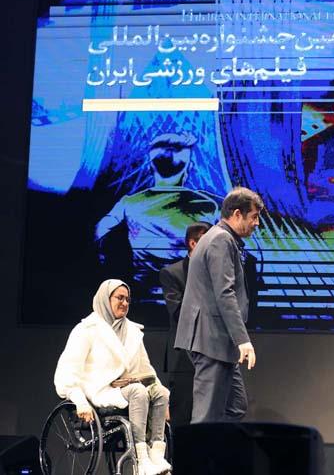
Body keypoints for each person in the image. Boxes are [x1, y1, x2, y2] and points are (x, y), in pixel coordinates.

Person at [54, 279, 172, 475]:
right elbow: (67, 371)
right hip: (99, 391)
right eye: (120, 298)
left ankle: (157, 456)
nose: (124, 303)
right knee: (138, 392)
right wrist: (80, 402)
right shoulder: (86, 330)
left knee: (160, 392)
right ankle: (141, 460)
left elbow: (146, 368)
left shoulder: (132, 331)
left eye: (128, 299)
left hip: (125, 390)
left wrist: (163, 401)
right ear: (105, 299)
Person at [95, 132, 220, 306]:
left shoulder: (129, 203)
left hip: (142, 300)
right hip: (190, 302)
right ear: (189, 167)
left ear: (150, 167)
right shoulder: (209, 206)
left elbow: (96, 233)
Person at [174, 187, 263, 423]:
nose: (257, 223)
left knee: (235, 406)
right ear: (237, 214)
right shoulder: (220, 240)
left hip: (218, 341)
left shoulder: (220, 238)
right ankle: (200, 449)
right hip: (210, 339)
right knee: (205, 416)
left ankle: (217, 446)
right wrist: (242, 340)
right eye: (254, 217)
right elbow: (225, 292)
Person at [159, 221, 211, 427]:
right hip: (184, 354)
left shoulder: (218, 273)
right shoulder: (172, 273)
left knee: (212, 415)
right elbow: (179, 313)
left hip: (213, 353)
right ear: (193, 243)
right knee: (183, 414)